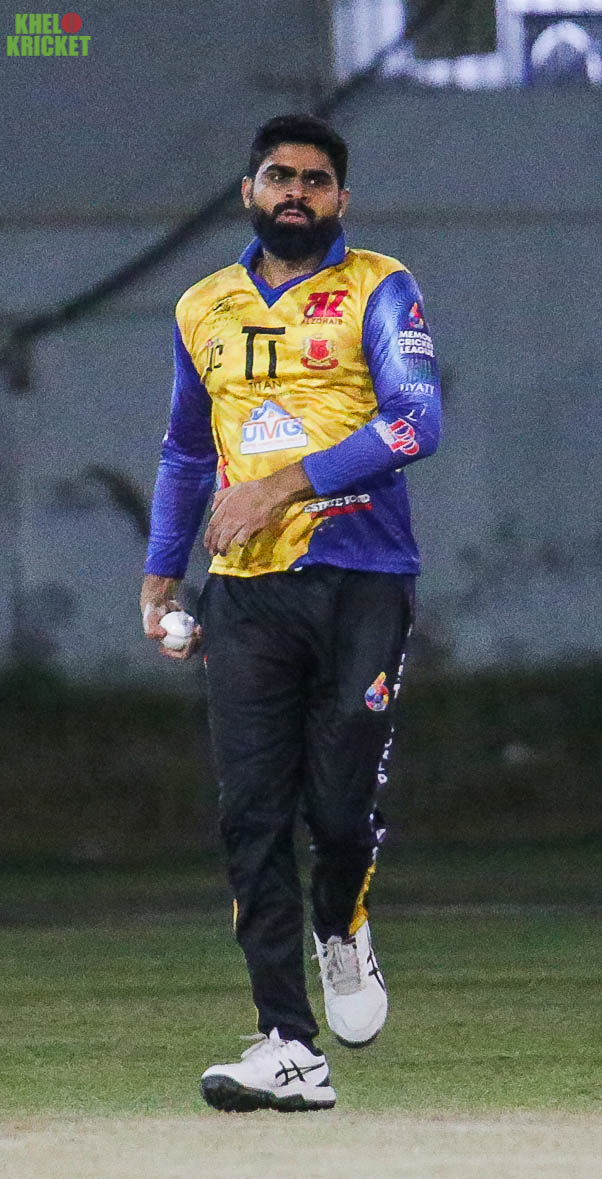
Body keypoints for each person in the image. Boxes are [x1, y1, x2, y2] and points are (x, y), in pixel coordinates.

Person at [140, 113, 441, 1113]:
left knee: (339, 813)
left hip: (363, 575)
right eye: (280, 176)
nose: (296, 193)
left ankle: (342, 922)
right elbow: (188, 450)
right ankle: (288, 1045)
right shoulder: (202, 306)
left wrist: (282, 485)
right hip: (245, 592)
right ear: (249, 191)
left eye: (315, 180)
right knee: (251, 816)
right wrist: (162, 570)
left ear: (341, 199)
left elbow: (415, 421)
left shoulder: (380, 286)